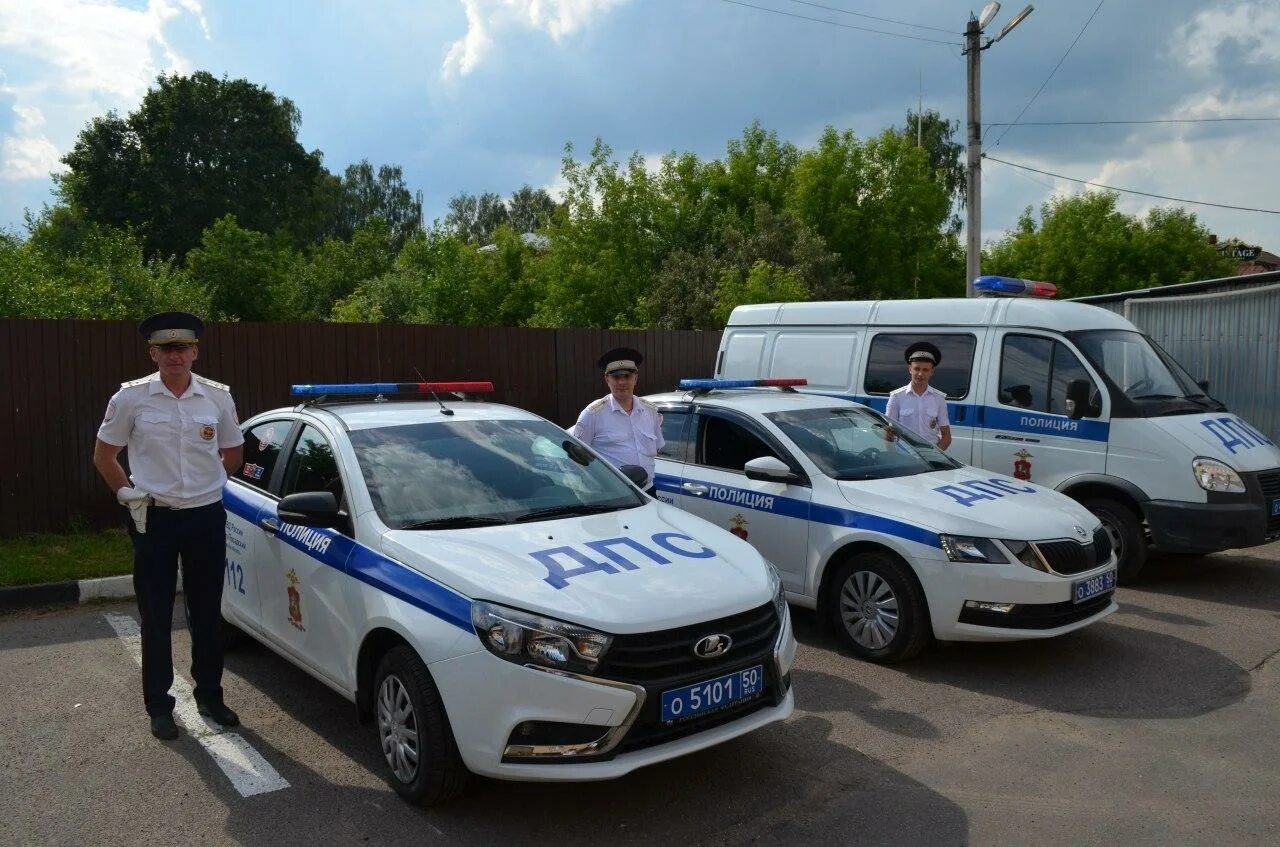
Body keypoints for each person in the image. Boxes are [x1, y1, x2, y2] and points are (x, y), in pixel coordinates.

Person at [92, 312, 245, 741]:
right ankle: (159, 706)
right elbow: (105, 455)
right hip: (153, 518)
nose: (175, 356)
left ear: (195, 351)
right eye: (166, 349)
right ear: (153, 353)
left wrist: (209, 480)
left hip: (205, 517)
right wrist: (126, 494)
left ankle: (211, 697)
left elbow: (232, 451)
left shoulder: (216, 398)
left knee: (207, 613)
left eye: (183, 348)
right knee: (156, 615)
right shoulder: (131, 399)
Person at [571, 346, 665, 495]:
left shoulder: (650, 411)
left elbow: (657, 448)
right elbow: (578, 459)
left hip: (647, 492)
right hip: (609, 496)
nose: (622, 382)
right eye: (616, 377)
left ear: (636, 378)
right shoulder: (593, 414)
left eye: (627, 376)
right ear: (607, 379)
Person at [884, 340, 952, 451]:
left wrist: (935, 456)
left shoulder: (939, 399)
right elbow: (888, 434)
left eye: (925, 370)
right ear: (910, 369)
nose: (920, 374)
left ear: (932, 371)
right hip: (905, 456)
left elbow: (946, 436)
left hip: (931, 455)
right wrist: (893, 458)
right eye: (917, 369)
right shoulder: (897, 397)